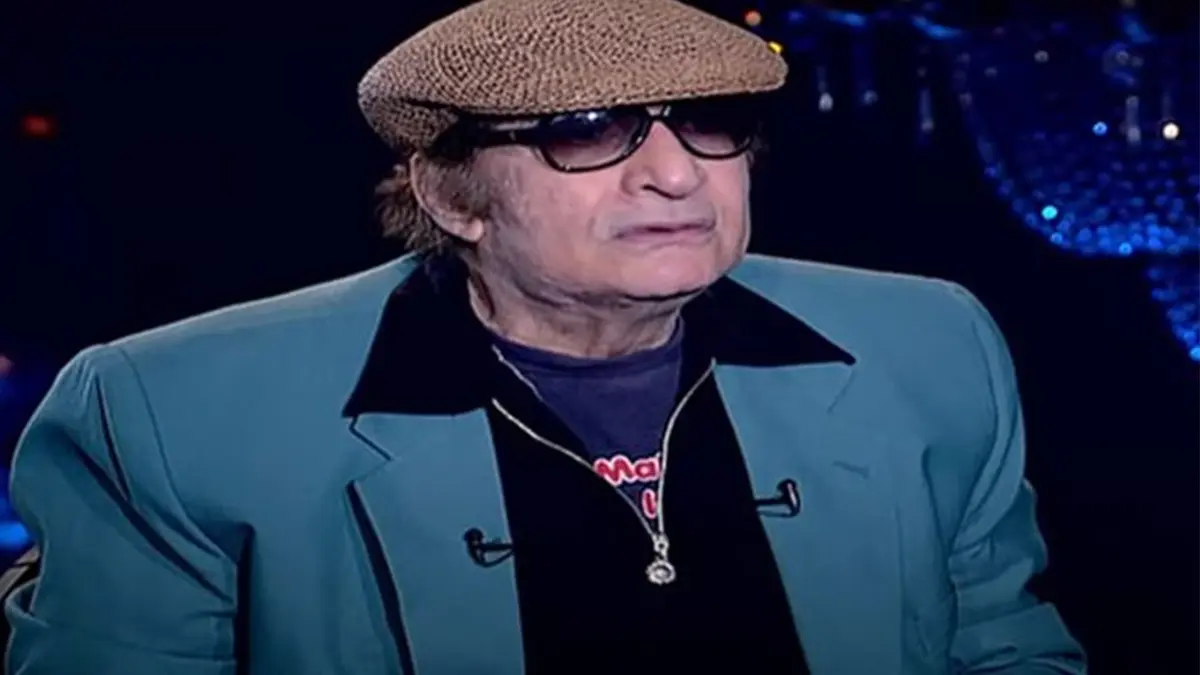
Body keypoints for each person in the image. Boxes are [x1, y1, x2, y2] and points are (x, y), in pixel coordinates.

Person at [4, 0, 1086, 673]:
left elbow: (1005, 649)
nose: (675, 174)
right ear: (451, 194)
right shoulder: (168, 411)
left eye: (707, 122)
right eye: (585, 132)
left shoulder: (928, 344)